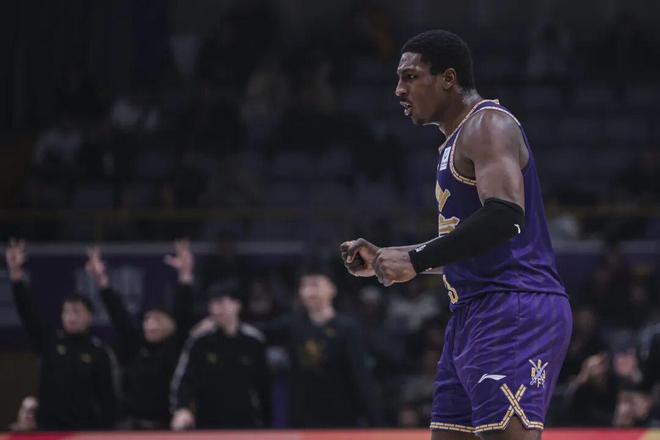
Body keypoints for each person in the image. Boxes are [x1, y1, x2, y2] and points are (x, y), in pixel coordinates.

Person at [340, 30, 571, 440]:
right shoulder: (453, 142)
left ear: (448, 78)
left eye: (410, 77)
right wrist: (390, 257)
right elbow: (470, 243)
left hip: (513, 305)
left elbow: (504, 216)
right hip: (470, 312)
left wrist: (415, 260)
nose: (399, 90)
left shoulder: (488, 124)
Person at [6, 239, 118, 430]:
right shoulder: (50, 341)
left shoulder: (98, 352)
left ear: (89, 316)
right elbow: (28, 314)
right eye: (66, 312)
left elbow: (108, 400)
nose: (71, 317)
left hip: (84, 431)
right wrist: (16, 274)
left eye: (76, 312)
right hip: (48, 429)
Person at [85, 240, 195, 429]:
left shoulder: (176, 347)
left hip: (165, 425)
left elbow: (184, 312)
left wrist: (185, 275)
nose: (151, 325)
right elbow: (119, 316)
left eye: (158, 320)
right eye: (147, 320)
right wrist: (102, 281)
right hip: (132, 424)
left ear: (172, 325)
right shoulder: (136, 344)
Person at [258, 266, 381, 428]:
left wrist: (374, 421)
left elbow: (361, 376)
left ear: (332, 289)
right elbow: (254, 334)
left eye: (314, 285)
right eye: (304, 286)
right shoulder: (291, 325)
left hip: (342, 418)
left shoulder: (347, 329)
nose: (309, 292)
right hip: (301, 419)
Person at [170, 280, 270, 430]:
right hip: (207, 423)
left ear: (237, 305)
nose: (216, 310)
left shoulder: (254, 341)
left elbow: (264, 388)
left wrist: (267, 425)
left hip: (246, 423)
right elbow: (184, 379)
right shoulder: (200, 340)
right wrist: (182, 408)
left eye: (221, 303)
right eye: (212, 304)